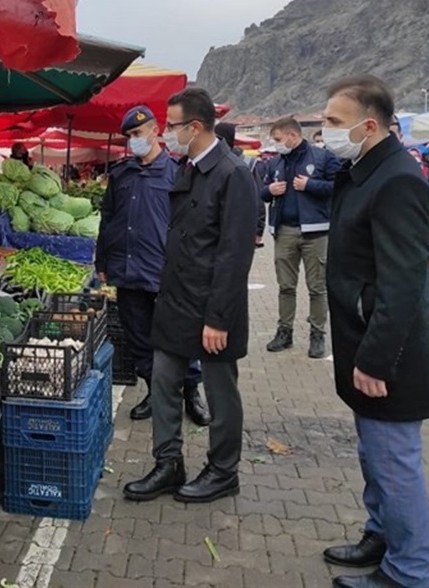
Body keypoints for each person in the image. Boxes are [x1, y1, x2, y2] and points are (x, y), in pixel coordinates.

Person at [321, 75, 429, 588]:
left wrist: (376, 360)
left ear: (370, 125)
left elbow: (402, 282)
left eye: (334, 123)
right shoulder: (362, 171)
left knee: (395, 465)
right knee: (373, 455)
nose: (326, 132)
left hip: (391, 353)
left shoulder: (398, 179)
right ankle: (380, 535)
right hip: (367, 338)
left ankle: (407, 572)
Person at [123, 88, 257, 504]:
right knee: (164, 382)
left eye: (173, 125)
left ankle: (222, 471)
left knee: (220, 392)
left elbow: (235, 255)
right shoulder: (190, 168)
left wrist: (217, 318)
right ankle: (168, 464)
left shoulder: (233, 173)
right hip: (176, 300)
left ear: (195, 127)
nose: (168, 133)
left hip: (213, 307)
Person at [95, 106, 210, 425]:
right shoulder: (120, 175)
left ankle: (191, 394)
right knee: (140, 340)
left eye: (137, 134)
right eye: (129, 136)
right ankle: (154, 392)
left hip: (166, 273)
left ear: (156, 131)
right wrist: (102, 260)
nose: (133, 141)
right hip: (128, 272)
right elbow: (108, 219)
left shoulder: (178, 173)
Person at [260, 117, 342, 358]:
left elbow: (339, 187)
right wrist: (269, 191)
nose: (275, 145)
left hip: (316, 231)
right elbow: (261, 192)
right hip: (284, 230)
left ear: (292, 136)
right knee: (286, 286)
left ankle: (318, 335)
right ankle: (284, 332)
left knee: (317, 287)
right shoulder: (275, 162)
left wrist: (311, 185)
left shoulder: (323, 157)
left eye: (278, 140)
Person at [389, 118, 429, 273]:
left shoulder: (417, 169)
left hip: (413, 250)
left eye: (391, 133)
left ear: (400, 136)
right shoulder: (361, 168)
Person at [217, 122, 267, 247]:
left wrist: (258, 229)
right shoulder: (210, 161)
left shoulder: (247, 164)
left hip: (240, 226)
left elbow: (257, 198)